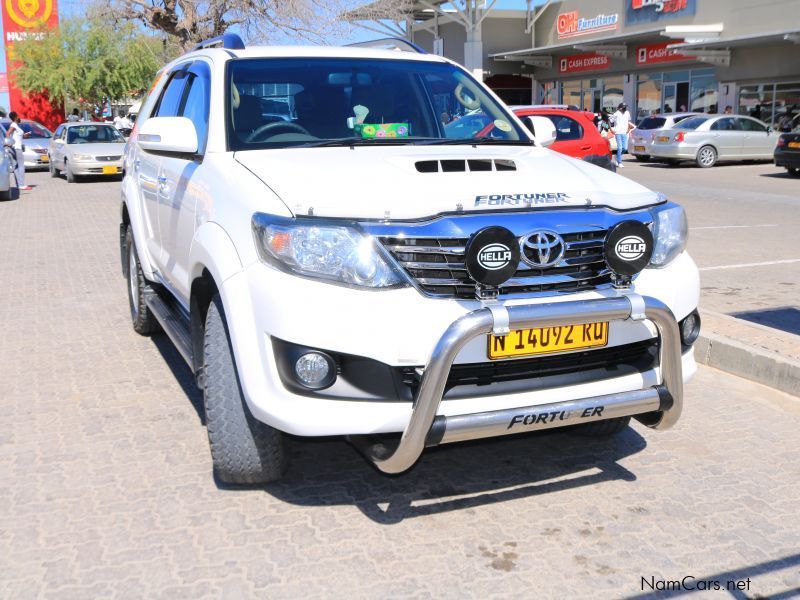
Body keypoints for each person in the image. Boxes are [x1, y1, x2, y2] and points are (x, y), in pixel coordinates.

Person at [6, 111, 31, 191]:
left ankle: (19, 185)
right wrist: (10, 143)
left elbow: (17, 136)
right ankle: (22, 185)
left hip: (15, 148)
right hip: (16, 148)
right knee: (21, 166)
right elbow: (8, 133)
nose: (19, 117)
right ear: (15, 117)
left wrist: (24, 135)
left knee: (16, 167)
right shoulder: (13, 125)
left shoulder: (16, 125)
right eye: (18, 116)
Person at [610, 102, 633, 169]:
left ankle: (617, 156)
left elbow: (628, 121)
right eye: (624, 107)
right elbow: (610, 120)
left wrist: (628, 129)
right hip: (618, 132)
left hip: (624, 132)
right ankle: (619, 162)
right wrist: (611, 129)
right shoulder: (616, 114)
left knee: (625, 148)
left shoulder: (627, 113)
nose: (625, 108)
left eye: (625, 106)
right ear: (620, 108)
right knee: (620, 148)